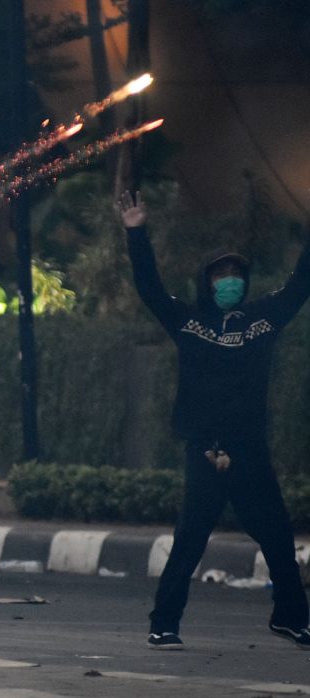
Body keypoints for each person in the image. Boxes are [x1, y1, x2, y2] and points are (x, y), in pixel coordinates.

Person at [119, 191, 310, 650]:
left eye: (236, 274)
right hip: (205, 447)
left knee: (278, 537)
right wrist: (136, 231)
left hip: (250, 449)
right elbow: (148, 287)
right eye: (221, 274)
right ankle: (163, 623)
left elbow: (302, 283)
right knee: (190, 538)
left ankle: (291, 618)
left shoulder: (262, 320)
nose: (230, 281)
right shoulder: (188, 322)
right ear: (207, 281)